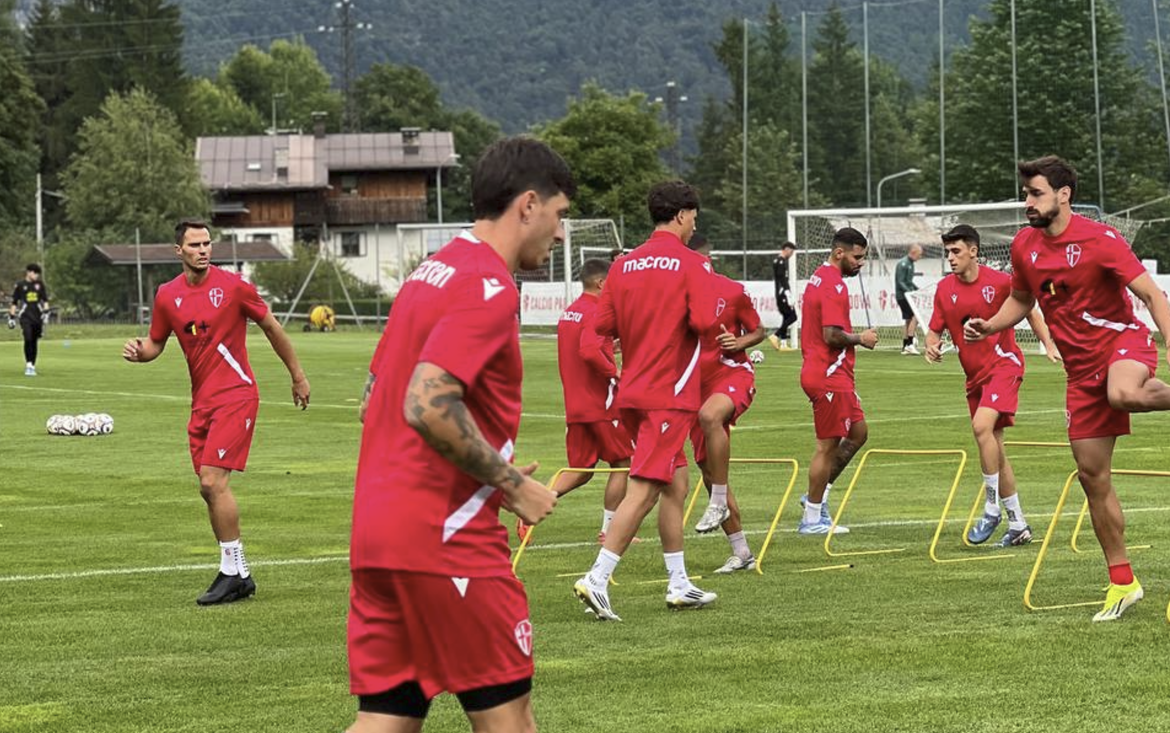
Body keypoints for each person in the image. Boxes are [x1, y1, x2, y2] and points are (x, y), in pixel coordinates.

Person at [346, 137, 571, 733]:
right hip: (446, 538)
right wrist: (510, 484)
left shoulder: (431, 272)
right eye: (560, 214)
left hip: (379, 532)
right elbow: (426, 401)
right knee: (511, 718)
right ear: (528, 205)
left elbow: (374, 396)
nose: (562, 232)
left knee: (388, 718)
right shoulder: (487, 286)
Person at [965, 155, 1170, 622]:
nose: (1027, 203)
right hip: (1080, 375)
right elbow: (1022, 298)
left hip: (1123, 344)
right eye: (1025, 195)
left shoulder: (1101, 239)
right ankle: (1123, 582)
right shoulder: (1024, 245)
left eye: (1035, 193)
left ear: (1064, 194)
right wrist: (990, 325)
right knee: (1093, 479)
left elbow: (1152, 295)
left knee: (1124, 393)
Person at [122, 219, 311, 605]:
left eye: (208, 243)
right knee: (209, 490)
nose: (204, 249)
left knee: (212, 482)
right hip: (202, 403)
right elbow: (157, 342)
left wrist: (297, 375)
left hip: (237, 394)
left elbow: (272, 328)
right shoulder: (166, 295)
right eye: (195, 245)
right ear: (179, 251)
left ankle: (229, 572)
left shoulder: (233, 287)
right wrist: (141, 353)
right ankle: (239, 574)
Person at [574, 180, 718, 621]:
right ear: (680, 215)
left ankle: (678, 582)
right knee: (646, 487)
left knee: (675, 483)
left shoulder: (623, 265)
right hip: (669, 392)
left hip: (633, 390)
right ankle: (597, 578)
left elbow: (604, 325)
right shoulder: (693, 263)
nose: (695, 224)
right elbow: (704, 321)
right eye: (693, 215)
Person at [924, 224, 1061, 547]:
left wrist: (1048, 344)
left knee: (981, 427)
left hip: (1004, 366)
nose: (950, 258)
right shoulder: (945, 289)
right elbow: (935, 329)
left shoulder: (1000, 282)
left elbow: (1030, 310)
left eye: (956, 251)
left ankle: (990, 508)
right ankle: (1018, 524)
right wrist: (930, 344)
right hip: (974, 378)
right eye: (947, 252)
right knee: (995, 448)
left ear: (973, 251)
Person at [515, 257, 635, 544]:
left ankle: (529, 508)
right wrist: (614, 371)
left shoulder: (570, 312)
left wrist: (609, 348)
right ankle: (610, 531)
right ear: (602, 283)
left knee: (582, 471)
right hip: (601, 404)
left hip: (576, 404)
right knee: (622, 462)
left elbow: (586, 348)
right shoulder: (596, 311)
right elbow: (590, 352)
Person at [688, 234, 766, 574]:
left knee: (711, 416)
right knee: (706, 467)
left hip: (732, 373)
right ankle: (742, 552)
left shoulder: (731, 290)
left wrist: (740, 341)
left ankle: (718, 501)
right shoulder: (676, 295)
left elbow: (759, 331)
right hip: (691, 386)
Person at [797, 227, 878, 535]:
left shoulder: (819, 275)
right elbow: (831, 336)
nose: (860, 263)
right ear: (839, 253)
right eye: (857, 257)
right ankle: (812, 518)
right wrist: (862, 338)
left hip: (833, 373)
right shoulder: (833, 285)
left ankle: (816, 497)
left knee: (858, 433)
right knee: (827, 447)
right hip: (828, 374)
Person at [9, 263, 50, 377]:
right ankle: (28, 365)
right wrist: (11, 318)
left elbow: (45, 300)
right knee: (28, 337)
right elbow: (14, 302)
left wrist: (46, 313)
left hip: (37, 316)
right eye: (35, 273)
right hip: (25, 316)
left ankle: (33, 365)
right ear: (29, 272)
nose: (36, 276)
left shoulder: (40, 285)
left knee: (34, 341)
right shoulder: (20, 285)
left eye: (37, 274)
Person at [768, 242, 798, 350]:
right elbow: (782, 280)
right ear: (786, 249)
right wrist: (787, 293)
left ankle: (784, 344)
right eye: (791, 251)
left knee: (786, 317)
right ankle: (775, 335)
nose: (792, 253)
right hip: (783, 294)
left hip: (780, 293)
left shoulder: (778, 261)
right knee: (793, 316)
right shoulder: (780, 262)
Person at [895, 243, 923, 355]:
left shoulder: (910, 264)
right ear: (913, 252)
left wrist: (918, 289)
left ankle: (905, 345)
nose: (920, 257)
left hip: (906, 295)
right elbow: (900, 281)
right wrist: (910, 292)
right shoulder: (903, 264)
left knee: (908, 320)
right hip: (903, 296)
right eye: (919, 255)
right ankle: (910, 344)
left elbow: (909, 282)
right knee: (915, 317)